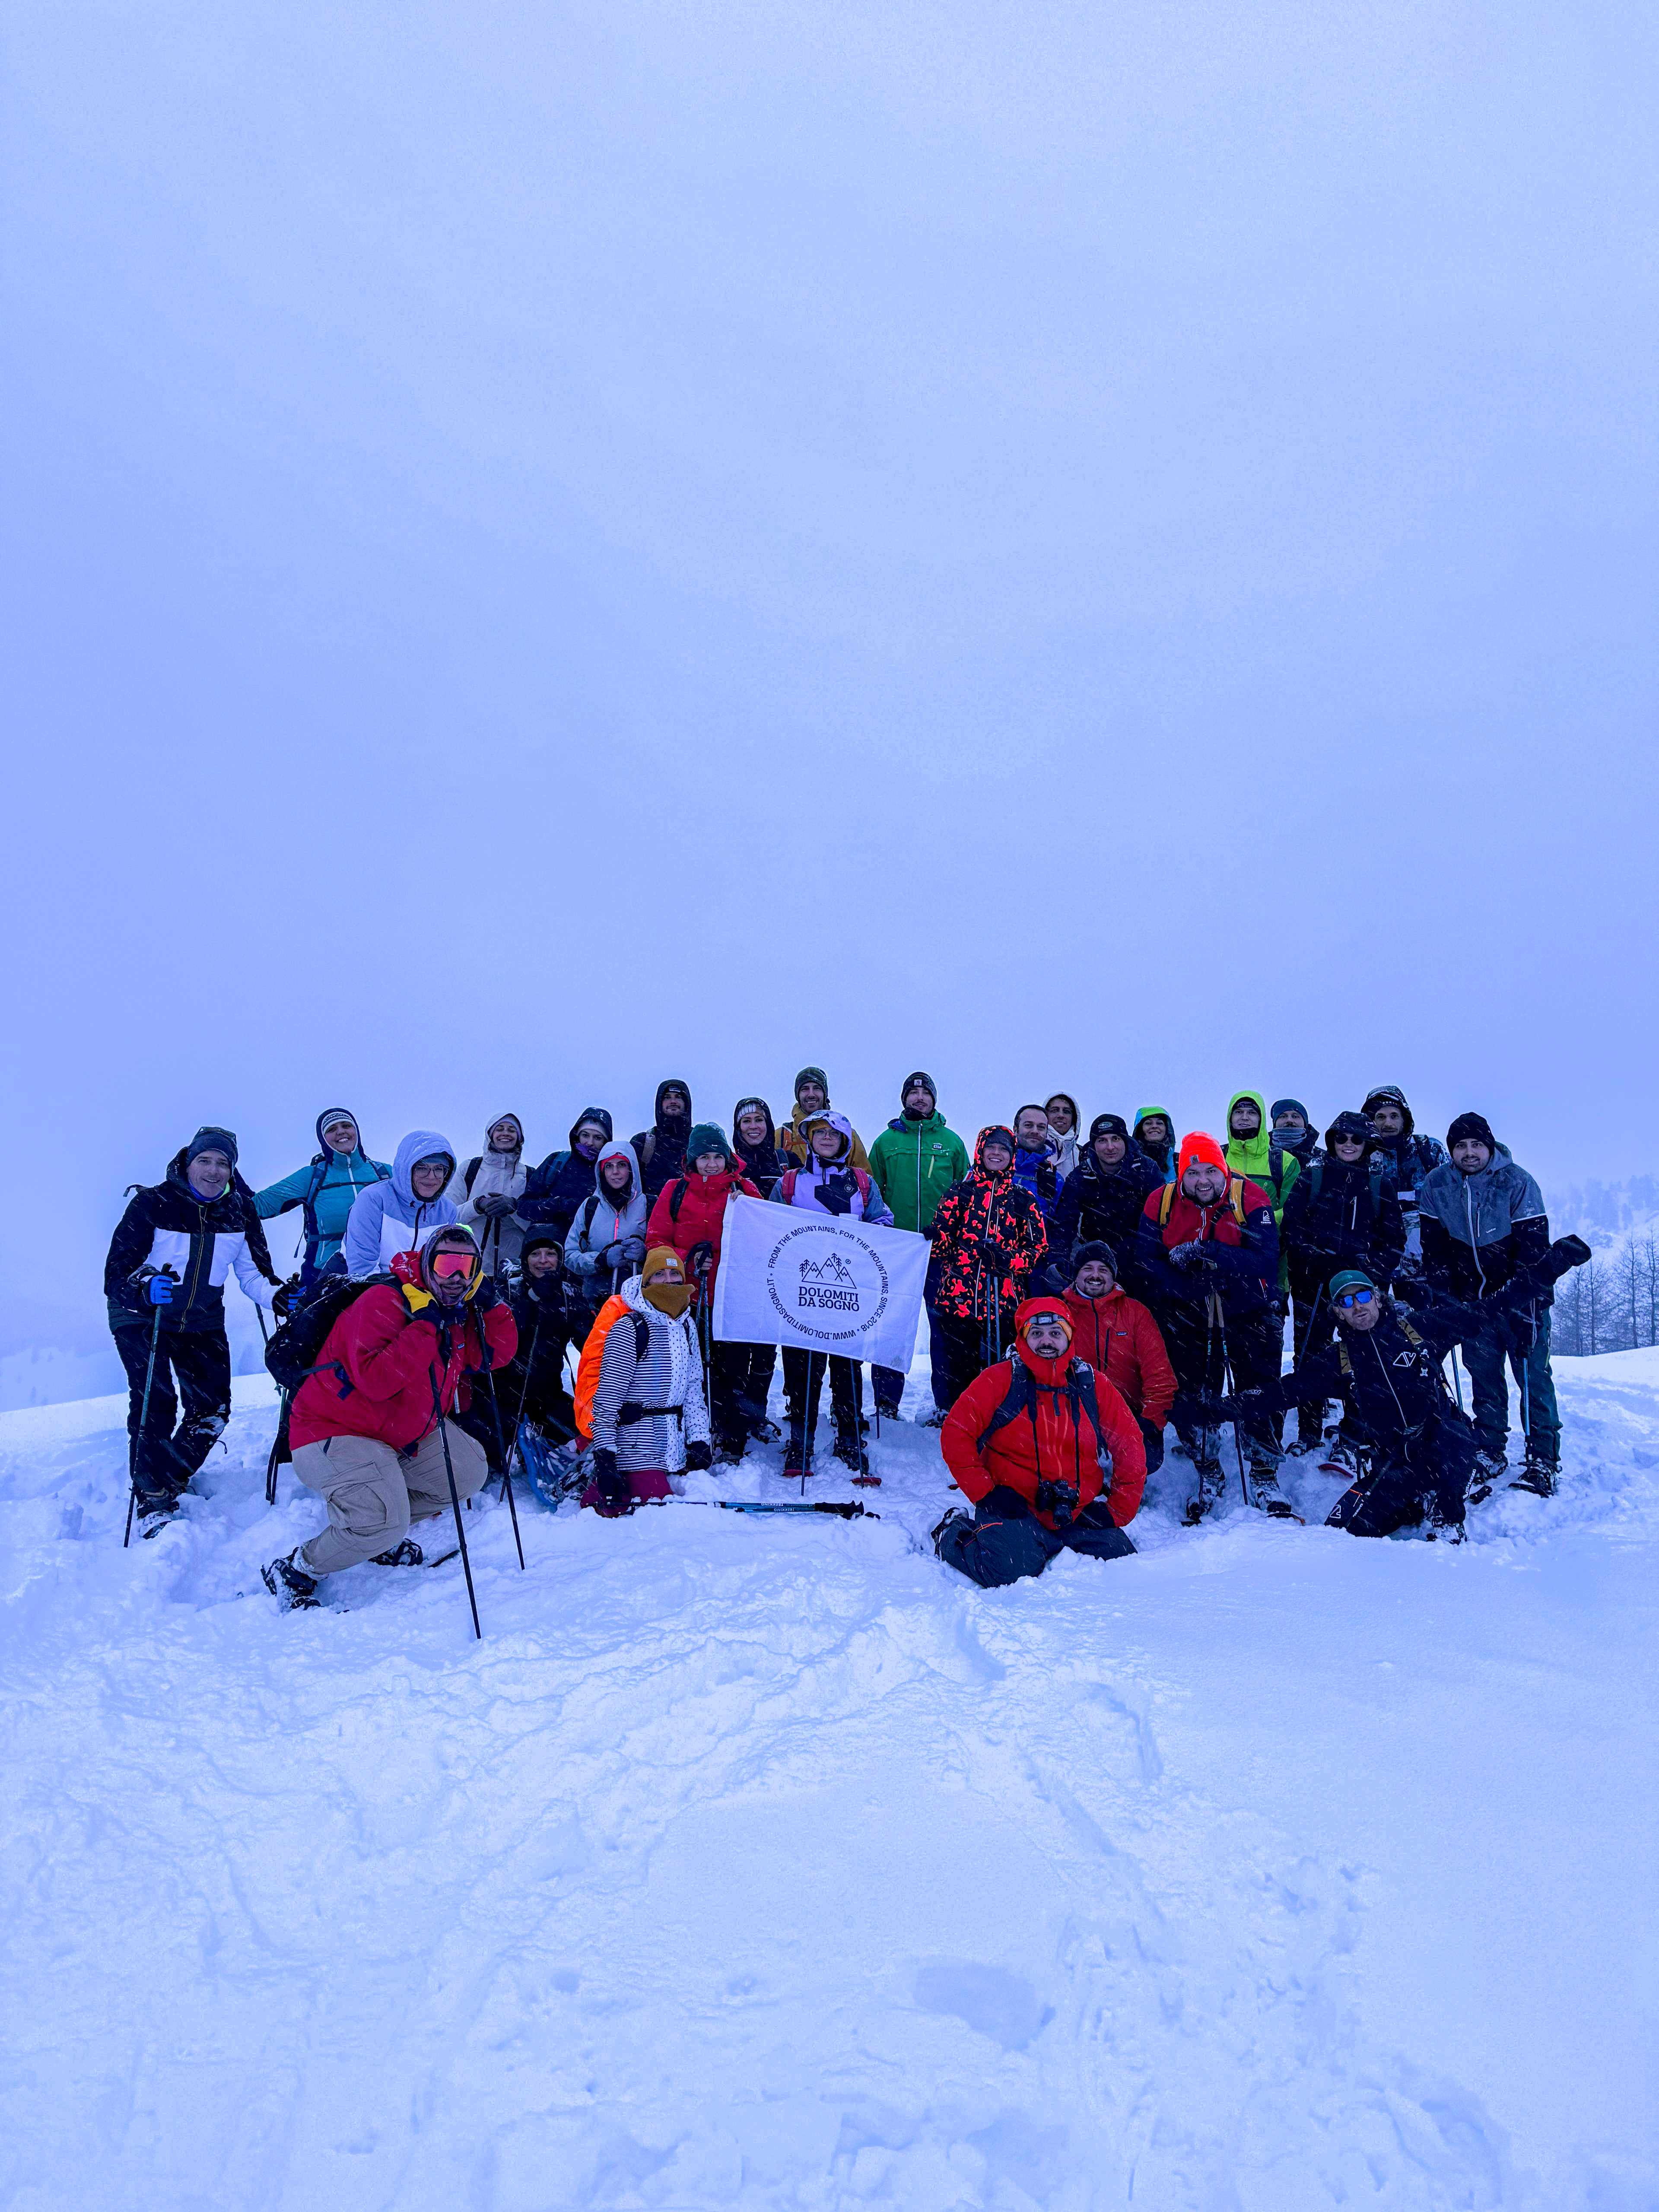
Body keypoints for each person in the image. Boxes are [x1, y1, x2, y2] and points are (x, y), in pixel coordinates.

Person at [1214, 1238, 1590, 1539]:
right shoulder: (1338, 1360)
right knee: (1352, 1533)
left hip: (1445, 1442)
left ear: (1378, 1297)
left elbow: (1492, 1308)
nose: (1357, 1307)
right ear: (1338, 1313)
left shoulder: (1421, 1329)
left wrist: (1552, 1265)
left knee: (1453, 1440)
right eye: (1346, 1302)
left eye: (1363, 1296)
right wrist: (1206, 1411)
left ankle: (1448, 1518)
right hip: (1395, 1459)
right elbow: (1279, 1393)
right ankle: (1416, 1502)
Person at [261, 1222, 518, 1608]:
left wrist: (494, 1307)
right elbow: (378, 1382)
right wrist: (425, 1327)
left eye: (468, 1267)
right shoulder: (386, 1301)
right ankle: (299, 1567)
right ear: (428, 1262)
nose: (457, 1278)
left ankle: (374, 1532)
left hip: (398, 1435)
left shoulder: (456, 1311)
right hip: (332, 1432)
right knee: (382, 1520)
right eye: (447, 1264)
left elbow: (493, 1356)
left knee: (467, 1472)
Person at [105, 1127, 281, 1527]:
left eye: (224, 1163)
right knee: (157, 1401)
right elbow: (116, 1273)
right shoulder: (153, 1204)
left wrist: (279, 1297)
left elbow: (254, 1275)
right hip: (140, 1315)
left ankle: (166, 1477)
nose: (214, 1170)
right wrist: (144, 1285)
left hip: (201, 1319)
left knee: (212, 1409)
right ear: (188, 1163)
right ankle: (151, 1495)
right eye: (205, 1160)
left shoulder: (241, 1210)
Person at [933, 1297, 1145, 1587]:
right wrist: (985, 1493)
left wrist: (1117, 1509)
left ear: (1069, 1337)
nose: (1047, 1341)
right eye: (1037, 1334)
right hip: (1012, 1506)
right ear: (1023, 1338)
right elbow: (956, 1432)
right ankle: (952, 1532)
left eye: (1056, 1333)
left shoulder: (1092, 1385)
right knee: (1007, 1572)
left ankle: (1046, 1542)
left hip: (1073, 1510)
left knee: (1123, 1560)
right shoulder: (999, 1380)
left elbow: (1129, 1444)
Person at [1133, 1131, 1287, 1519]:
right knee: (1189, 1391)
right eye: (1193, 1172)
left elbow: (1267, 1259)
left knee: (1259, 1390)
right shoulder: (1162, 1200)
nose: (1203, 1181)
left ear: (1223, 1170)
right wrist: (1186, 1283)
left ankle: (1265, 1473)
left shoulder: (1250, 1196)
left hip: (1249, 1307)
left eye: (1211, 1171)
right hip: (1187, 1309)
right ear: (1181, 1174)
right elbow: (1145, 1258)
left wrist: (1210, 1252)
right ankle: (1208, 1470)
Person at [1418, 1113, 1562, 1494]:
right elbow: (1434, 1250)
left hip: (1521, 1299)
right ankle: (1489, 1447)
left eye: (1476, 1145)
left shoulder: (1517, 1182)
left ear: (1490, 1146)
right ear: (1451, 1151)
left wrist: (1524, 1300)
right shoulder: (1437, 1185)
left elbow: (1533, 1247)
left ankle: (1543, 1458)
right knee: (1483, 1376)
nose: (1469, 1153)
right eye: (1460, 1146)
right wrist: (1445, 1297)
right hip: (1472, 1304)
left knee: (1532, 1377)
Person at [769, 1111, 895, 1476]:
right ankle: (800, 1441)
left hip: (846, 1292)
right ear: (810, 1139)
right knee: (801, 1370)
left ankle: (850, 1436)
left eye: (833, 1133)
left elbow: (883, 1222)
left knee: (847, 1367)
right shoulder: (790, 1183)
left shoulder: (863, 1183)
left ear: (845, 1140)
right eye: (819, 1132)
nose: (826, 1138)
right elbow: (772, 1226)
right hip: (801, 1292)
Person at [1277, 1112, 1407, 1463]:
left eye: (1356, 1139)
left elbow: (1395, 1239)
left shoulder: (1380, 1185)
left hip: (1362, 1290)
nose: (1348, 1144)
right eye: (1342, 1138)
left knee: (1366, 1357)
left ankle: (1356, 1431)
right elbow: (1291, 1228)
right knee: (1309, 1355)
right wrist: (1316, 1260)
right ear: (1333, 1141)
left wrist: (1368, 1270)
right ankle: (1309, 1429)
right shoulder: (1312, 1178)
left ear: (1367, 1144)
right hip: (1314, 1285)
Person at [646, 1123, 762, 1462]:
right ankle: (691, 1433)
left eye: (717, 1157)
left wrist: (746, 1212)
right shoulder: (675, 1190)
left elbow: (763, 1238)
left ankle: (731, 1435)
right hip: (686, 1299)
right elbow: (656, 1242)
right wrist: (686, 1260)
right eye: (704, 1158)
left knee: (734, 1368)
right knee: (688, 1370)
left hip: (732, 1296)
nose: (711, 1164)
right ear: (692, 1160)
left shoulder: (745, 1189)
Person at [923, 1126, 1049, 1410]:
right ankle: (959, 1418)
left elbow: (1037, 1249)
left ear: (1012, 1156)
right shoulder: (961, 1192)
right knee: (959, 1367)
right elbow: (944, 1247)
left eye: (1003, 1149)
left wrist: (1006, 1259)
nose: (996, 1153)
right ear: (980, 1151)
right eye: (991, 1147)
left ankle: (1001, 1420)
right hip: (959, 1299)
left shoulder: (1022, 1199)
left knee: (1003, 1368)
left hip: (1004, 1302)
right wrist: (934, 1238)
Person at [868, 1071, 970, 1423]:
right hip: (898, 1250)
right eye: (913, 1093)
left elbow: (965, 1196)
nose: (920, 1098)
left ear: (935, 1101)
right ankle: (886, 1402)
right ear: (904, 1100)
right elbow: (873, 1193)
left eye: (926, 1093)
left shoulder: (952, 1143)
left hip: (942, 1252)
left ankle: (947, 1404)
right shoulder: (885, 1142)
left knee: (945, 1329)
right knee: (892, 1325)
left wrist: (951, 1234)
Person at [585, 1246, 712, 1516]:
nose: (669, 1281)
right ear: (646, 1282)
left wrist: (700, 1440)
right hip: (636, 1443)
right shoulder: (630, 1327)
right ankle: (601, 1489)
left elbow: (692, 1390)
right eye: (660, 1274)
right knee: (660, 1511)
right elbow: (607, 1400)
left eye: (674, 1274)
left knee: (686, 1506)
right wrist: (606, 1458)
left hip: (673, 1444)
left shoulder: (687, 1326)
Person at [1059, 1241, 1177, 1474]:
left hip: (1127, 1413)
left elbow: (1160, 1374)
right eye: (1088, 1269)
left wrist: (1151, 1421)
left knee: (1146, 1456)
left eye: (1103, 1270)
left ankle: (1128, 1476)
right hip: (1071, 1413)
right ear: (1076, 1275)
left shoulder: (1136, 1313)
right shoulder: (1059, 1314)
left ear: (1114, 1277)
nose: (1095, 1275)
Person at [255, 1109, 391, 1282]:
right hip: (324, 1276)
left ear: (357, 1131)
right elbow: (258, 1207)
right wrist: (227, 1172)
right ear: (323, 1140)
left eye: (346, 1126)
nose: (341, 1131)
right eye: (332, 1129)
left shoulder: (385, 1174)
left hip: (383, 1272)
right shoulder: (312, 1177)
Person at [494, 1232, 581, 1495]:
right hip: (503, 1395)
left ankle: (535, 1440)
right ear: (525, 1259)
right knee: (490, 1460)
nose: (544, 1261)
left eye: (551, 1254)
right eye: (535, 1254)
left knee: (578, 1436)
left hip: (547, 1393)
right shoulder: (507, 1289)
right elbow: (502, 1337)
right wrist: (530, 1300)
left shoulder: (569, 1294)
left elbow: (587, 1344)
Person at [726, 1099, 792, 1440]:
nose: (754, 1126)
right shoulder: (726, 1163)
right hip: (739, 1265)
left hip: (779, 1265)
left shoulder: (786, 1162)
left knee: (767, 1347)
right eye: (746, 1121)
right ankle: (732, 1415)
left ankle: (756, 1412)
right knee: (737, 1348)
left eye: (759, 1120)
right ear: (737, 1128)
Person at [1046, 1113, 1163, 1294]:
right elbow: (1065, 1223)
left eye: (1115, 1139)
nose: (1110, 1147)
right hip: (1097, 1258)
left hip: (1141, 1256)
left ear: (1125, 1141)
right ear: (1094, 1145)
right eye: (1102, 1140)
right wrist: (1057, 1259)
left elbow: (1161, 1219)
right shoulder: (1081, 1176)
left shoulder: (1147, 1169)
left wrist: (1149, 1259)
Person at [341, 1131, 458, 1277]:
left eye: (439, 1169)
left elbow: (444, 1266)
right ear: (406, 1168)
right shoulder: (374, 1200)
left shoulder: (448, 1211)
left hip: (419, 1290)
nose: (432, 1177)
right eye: (422, 1168)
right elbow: (362, 1270)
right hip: (367, 1286)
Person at [1362, 1085, 1449, 1278]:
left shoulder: (1429, 1150)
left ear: (1405, 1119)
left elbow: (1452, 1200)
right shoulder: (1360, 1155)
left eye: (1394, 1116)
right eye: (1381, 1117)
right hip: (1376, 1266)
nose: (1388, 1123)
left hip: (1427, 1265)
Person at [563, 1140, 649, 1321]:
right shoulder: (590, 1207)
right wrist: (601, 1260)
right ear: (601, 1171)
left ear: (632, 1168)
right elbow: (570, 1256)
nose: (615, 1172)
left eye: (622, 1165)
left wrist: (646, 1254)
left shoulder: (649, 1205)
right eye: (609, 1166)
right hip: (596, 1304)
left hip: (642, 1303)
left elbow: (664, 1248)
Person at [521, 1109, 614, 1241]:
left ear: (606, 1142)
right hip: (546, 1251)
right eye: (585, 1135)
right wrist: (559, 1205)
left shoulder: (609, 1171)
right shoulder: (557, 1162)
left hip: (587, 1251)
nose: (590, 1142)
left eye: (598, 1138)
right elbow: (524, 1207)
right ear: (577, 1135)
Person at [456, 1112, 530, 1276]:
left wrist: (514, 1208)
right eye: (500, 1129)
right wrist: (477, 1205)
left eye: (512, 1130)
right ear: (490, 1135)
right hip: (467, 1267)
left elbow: (535, 1227)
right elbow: (448, 1216)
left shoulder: (529, 1175)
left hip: (514, 1270)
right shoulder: (469, 1169)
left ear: (519, 1137)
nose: (506, 1133)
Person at [1223, 1090, 1301, 1226]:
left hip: (1268, 1243)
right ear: (1230, 1117)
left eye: (1252, 1113)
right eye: (1239, 1112)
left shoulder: (1285, 1162)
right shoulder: (1217, 1156)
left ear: (1262, 1118)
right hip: (1220, 1241)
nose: (1245, 1117)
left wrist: (1260, 1224)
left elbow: (1291, 1210)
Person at [778, 1067, 871, 1171]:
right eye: (805, 1089)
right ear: (798, 1095)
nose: (811, 1094)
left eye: (817, 1088)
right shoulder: (781, 1137)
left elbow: (864, 1180)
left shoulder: (846, 1134)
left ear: (825, 1094)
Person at [631, 1082, 694, 1200]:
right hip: (650, 1216)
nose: (673, 1101)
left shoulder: (699, 1140)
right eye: (667, 1097)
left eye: (678, 1097)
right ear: (659, 1103)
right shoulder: (642, 1143)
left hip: (693, 1215)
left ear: (687, 1104)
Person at [1010, 1104, 1063, 1222]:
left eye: (1041, 1127)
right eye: (1028, 1125)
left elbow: (1061, 1228)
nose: (1035, 1131)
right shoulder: (992, 1167)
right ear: (1015, 1129)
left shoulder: (1054, 1180)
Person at [1269, 1100, 1320, 1173]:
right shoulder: (1260, 1152)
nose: (1290, 1120)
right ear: (1275, 1123)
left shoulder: (1322, 1159)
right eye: (1283, 1116)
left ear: (1305, 1123)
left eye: (1295, 1116)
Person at [1132, 1107, 1177, 1184]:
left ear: (1167, 1129)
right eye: (1148, 1123)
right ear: (1140, 1129)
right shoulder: (1130, 1161)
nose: (1154, 1126)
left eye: (1160, 1123)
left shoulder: (1178, 1161)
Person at [1043, 1094, 1082, 1180]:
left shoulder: (1084, 1155)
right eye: (1055, 1110)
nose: (1061, 1115)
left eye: (1067, 1111)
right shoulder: (1034, 1150)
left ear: (1074, 1117)